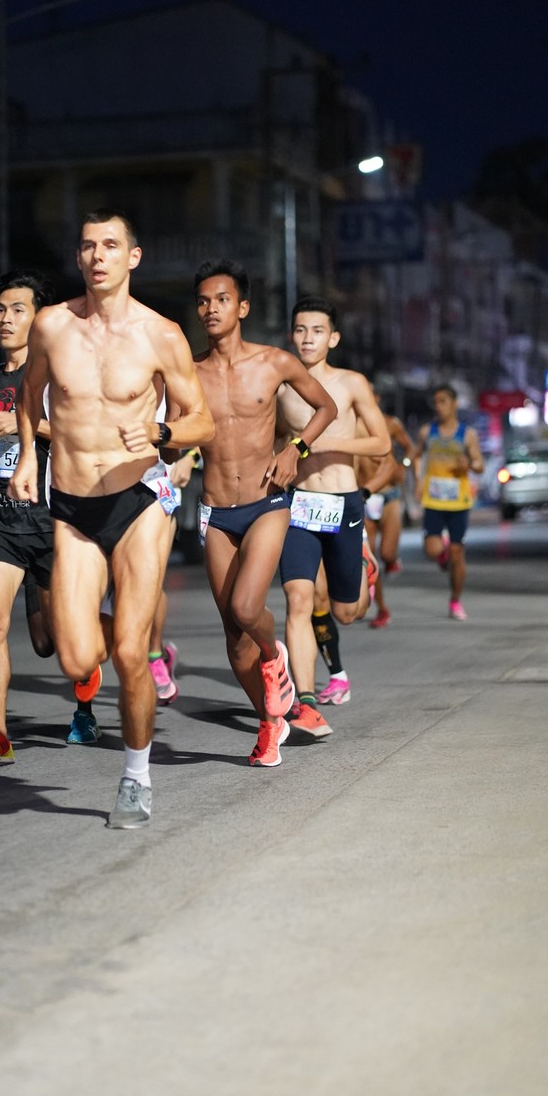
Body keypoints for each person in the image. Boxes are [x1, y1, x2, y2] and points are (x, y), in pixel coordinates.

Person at [8, 209, 215, 828]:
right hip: (73, 507)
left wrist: (160, 432)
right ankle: (135, 636)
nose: (98, 256)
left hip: (138, 500)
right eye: (88, 246)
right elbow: (30, 393)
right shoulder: (51, 326)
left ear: (133, 257)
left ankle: (135, 779)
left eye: (110, 245)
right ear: (79, 258)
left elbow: (201, 421)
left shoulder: (161, 334)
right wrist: (28, 455)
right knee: (76, 659)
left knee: (127, 652)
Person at [0, 270, 102, 767]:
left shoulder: (57, 374)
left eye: (17, 310)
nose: (5, 319)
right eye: (0, 309)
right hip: (1, 519)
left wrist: (26, 422)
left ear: (39, 319)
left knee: (52, 642)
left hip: (54, 522)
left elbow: (82, 434)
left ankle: (85, 702)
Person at [192, 260, 337, 767]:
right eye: (204, 301)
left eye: (222, 299)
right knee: (235, 644)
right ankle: (271, 722)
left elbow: (326, 408)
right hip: (215, 511)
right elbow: (171, 433)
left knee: (247, 608)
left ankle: (276, 658)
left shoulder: (274, 362)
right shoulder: (187, 372)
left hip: (267, 502)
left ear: (243, 307)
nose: (211, 309)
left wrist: (296, 447)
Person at [277, 295, 389, 738]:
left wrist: (324, 443)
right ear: (292, 335)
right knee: (299, 599)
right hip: (299, 505)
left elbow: (381, 444)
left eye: (318, 331)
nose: (308, 338)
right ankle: (305, 702)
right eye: (301, 330)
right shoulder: (281, 387)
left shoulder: (351, 383)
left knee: (346, 612)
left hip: (344, 504)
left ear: (334, 338)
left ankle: (364, 565)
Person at [413, 383, 484, 620]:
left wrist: (470, 464)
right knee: (432, 549)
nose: (438, 406)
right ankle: (442, 553)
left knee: (457, 554)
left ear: (455, 404)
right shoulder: (427, 432)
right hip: (434, 500)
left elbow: (480, 464)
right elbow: (416, 456)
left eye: (443, 401)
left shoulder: (467, 434)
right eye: (435, 402)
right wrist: (418, 480)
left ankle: (455, 600)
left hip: (458, 502)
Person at [359, 386, 415, 629]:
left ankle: (393, 560)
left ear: (377, 398)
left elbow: (410, 448)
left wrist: (404, 464)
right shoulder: (349, 426)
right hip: (363, 496)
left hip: (389, 495)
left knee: (388, 554)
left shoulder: (390, 423)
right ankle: (382, 608)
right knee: (370, 557)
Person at [147, 446, 199, 703]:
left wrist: (192, 457)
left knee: (151, 580)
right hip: (113, 491)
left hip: (158, 487)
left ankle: (155, 657)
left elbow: (208, 427)